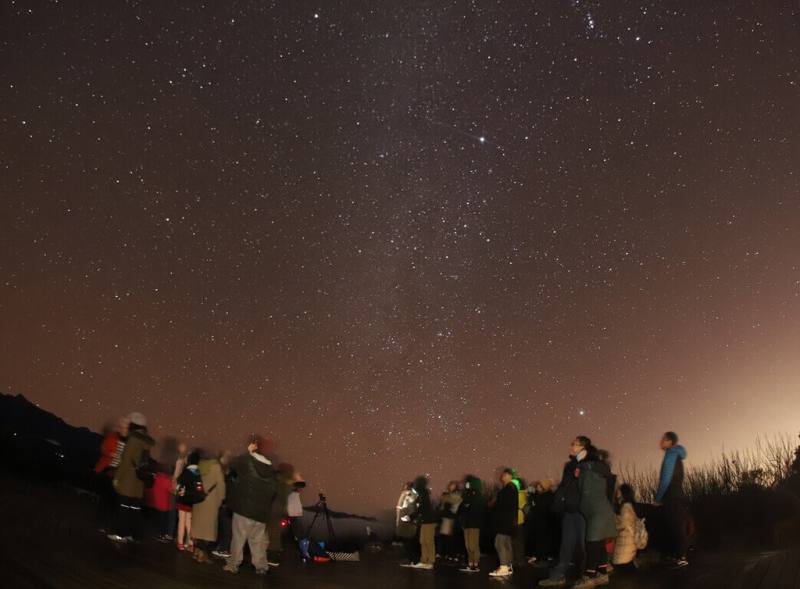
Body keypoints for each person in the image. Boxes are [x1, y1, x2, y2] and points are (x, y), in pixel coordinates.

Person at [539, 436, 591, 587]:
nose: (570, 447)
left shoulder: (589, 464)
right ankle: (558, 575)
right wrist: (558, 503)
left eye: (574, 444)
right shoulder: (569, 465)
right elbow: (563, 487)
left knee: (584, 545)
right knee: (566, 544)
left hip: (582, 511)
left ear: (583, 448)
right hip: (569, 511)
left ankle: (588, 575)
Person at [223, 437, 278, 575]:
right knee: (257, 542)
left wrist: (248, 452)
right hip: (261, 513)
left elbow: (233, 464)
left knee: (238, 538)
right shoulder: (271, 471)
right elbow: (273, 492)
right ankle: (261, 567)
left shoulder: (248, 462)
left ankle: (233, 565)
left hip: (244, 510)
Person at [572, 447, 617, 589]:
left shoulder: (594, 468)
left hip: (599, 511)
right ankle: (602, 574)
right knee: (598, 543)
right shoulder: (585, 469)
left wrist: (583, 465)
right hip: (594, 511)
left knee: (592, 543)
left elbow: (604, 470)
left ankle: (589, 576)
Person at [109, 412, 154, 543]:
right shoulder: (146, 441)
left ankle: (119, 534)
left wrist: (117, 478)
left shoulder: (133, 439)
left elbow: (125, 460)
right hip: (138, 484)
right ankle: (131, 534)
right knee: (133, 511)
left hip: (128, 481)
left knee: (122, 509)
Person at [656, 431, 689, 567]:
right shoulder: (676, 455)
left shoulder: (671, 454)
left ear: (670, 441)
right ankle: (678, 555)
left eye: (663, 439)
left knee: (675, 526)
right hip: (677, 494)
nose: (661, 441)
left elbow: (666, 478)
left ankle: (681, 557)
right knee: (675, 525)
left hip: (671, 495)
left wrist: (658, 497)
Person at [94, 416, 129, 531]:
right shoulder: (112, 437)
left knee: (115, 501)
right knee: (105, 499)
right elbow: (104, 448)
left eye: (126, 427)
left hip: (119, 475)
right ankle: (101, 523)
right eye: (122, 426)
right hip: (108, 470)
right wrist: (111, 453)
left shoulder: (129, 442)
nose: (124, 429)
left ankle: (110, 524)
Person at [191, 453, 226, 562]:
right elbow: (221, 484)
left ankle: (197, 552)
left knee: (199, 527)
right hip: (211, 500)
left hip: (198, 499)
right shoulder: (216, 467)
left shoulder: (199, 465)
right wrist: (221, 498)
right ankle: (202, 555)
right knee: (207, 529)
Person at [490, 467, 518, 577]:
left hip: (504, 520)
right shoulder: (511, 488)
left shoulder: (509, 489)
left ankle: (503, 566)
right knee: (506, 543)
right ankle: (508, 566)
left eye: (504, 474)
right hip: (508, 521)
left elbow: (505, 506)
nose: (502, 476)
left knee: (499, 542)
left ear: (510, 476)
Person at [405, 475, 437, 570]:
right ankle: (424, 560)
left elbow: (421, 509)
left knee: (428, 541)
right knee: (423, 541)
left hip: (429, 521)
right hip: (424, 521)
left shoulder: (424, 495)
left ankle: (430, 561)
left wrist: (410, 517)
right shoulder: (422, 494)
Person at [175, 450, 202, 551]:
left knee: (181, 521)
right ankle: (190, 544)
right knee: (189, 522)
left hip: (183, 499)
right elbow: (199, 487)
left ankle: (181, 543)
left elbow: (179, 483)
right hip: (192, 501)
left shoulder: (186, 472)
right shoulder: (198, 473)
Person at [458, 474, 485, 573]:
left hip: (474, 524)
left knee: (473, 545)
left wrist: (467, 506)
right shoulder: (467, 495)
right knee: (468, 545)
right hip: (466, 524)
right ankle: (470, 563)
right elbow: (462, 508)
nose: (466, 485)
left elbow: (476, 509)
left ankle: (475, 563)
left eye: (468, 483)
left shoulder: (478, 496)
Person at [528, 479, 557, 566]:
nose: (537, 488)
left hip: (543, 521)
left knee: (542, 539)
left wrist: (533, 504)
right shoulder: (546, 495)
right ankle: (541, 556)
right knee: (541, 539)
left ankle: (542, 557)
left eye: (539, 486)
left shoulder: (545, 496)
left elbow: (539, 508)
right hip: (543, 521)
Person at [167, 441, 189, 541]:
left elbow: (176, 474)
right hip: (181, 489)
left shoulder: (180, 459)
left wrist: (173, 484)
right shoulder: (186, 460)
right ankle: (177, 535)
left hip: (176, 488)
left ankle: (170, 533)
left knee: (172, 512)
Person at [612, 484, 639, 567]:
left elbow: (623, 524)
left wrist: (613, 523)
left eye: (619, 490)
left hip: (625, 544)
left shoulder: (625, 507)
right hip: (628, 544)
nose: (617, 491)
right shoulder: (628, 506)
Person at [145, 468, 174, 541]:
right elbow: (171, 490)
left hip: (157, 503)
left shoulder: (156, 478)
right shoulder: (167, 480)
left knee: (159, 520)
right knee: (163, 521)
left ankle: (159, 534)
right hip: (165, 505)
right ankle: (162, 535)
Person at [438, 480, 463, 563]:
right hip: (445, 517)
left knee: (451, 538)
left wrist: (445, 498)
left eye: (453, 485)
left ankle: (453, 554)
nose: (451, 487)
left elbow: (454, 501)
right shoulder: (447, 494)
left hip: (452, 517)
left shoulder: (456, 495)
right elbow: (442, 502)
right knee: (444, 536)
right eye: (450, 485)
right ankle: (445, 553)